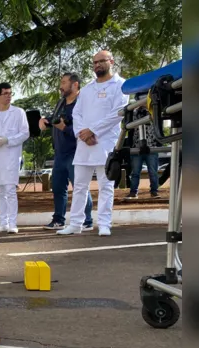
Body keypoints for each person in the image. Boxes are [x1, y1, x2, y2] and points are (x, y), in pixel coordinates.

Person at [57, 50, 128, 237]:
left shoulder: (121, 85)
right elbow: (76, 114)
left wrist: (93, 131)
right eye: (94, 62)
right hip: (84, 143)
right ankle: (76, 223)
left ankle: (104, 223)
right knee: (79, 185)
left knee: (106, 185)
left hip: (105, 142)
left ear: (111, 61)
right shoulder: (87, 89)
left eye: (101, 61)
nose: (97, 65)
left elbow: (118, 113)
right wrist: (83, 133)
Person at [39, 73, 94, 231]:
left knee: (80, 187)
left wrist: (65, 128)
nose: (60, 86)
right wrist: (45, 120)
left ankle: (86, 220)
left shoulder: (82, 103)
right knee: (57, 188)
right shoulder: (61, 102)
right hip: (59, 153)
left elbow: (83, 129)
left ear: (75, 85)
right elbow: (55, 119)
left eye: (64, 82)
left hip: (75, 152)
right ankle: (58, 220)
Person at [0, 82, 29, 234]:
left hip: (11, 156)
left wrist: (8, 140)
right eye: (5, 93)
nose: (8, 96)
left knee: (10, 190)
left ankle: (12, 223)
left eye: (10, 93)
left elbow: (24, 133)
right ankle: (3, 222)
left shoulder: (18, 112)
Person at [125, 105, 160, 200]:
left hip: (152, 146)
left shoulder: (155, 110)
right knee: (135, 172)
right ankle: (133, 192)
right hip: (136, 147)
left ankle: (154, 191)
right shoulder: (133, 112)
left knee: (153, 172)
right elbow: (128, 127)